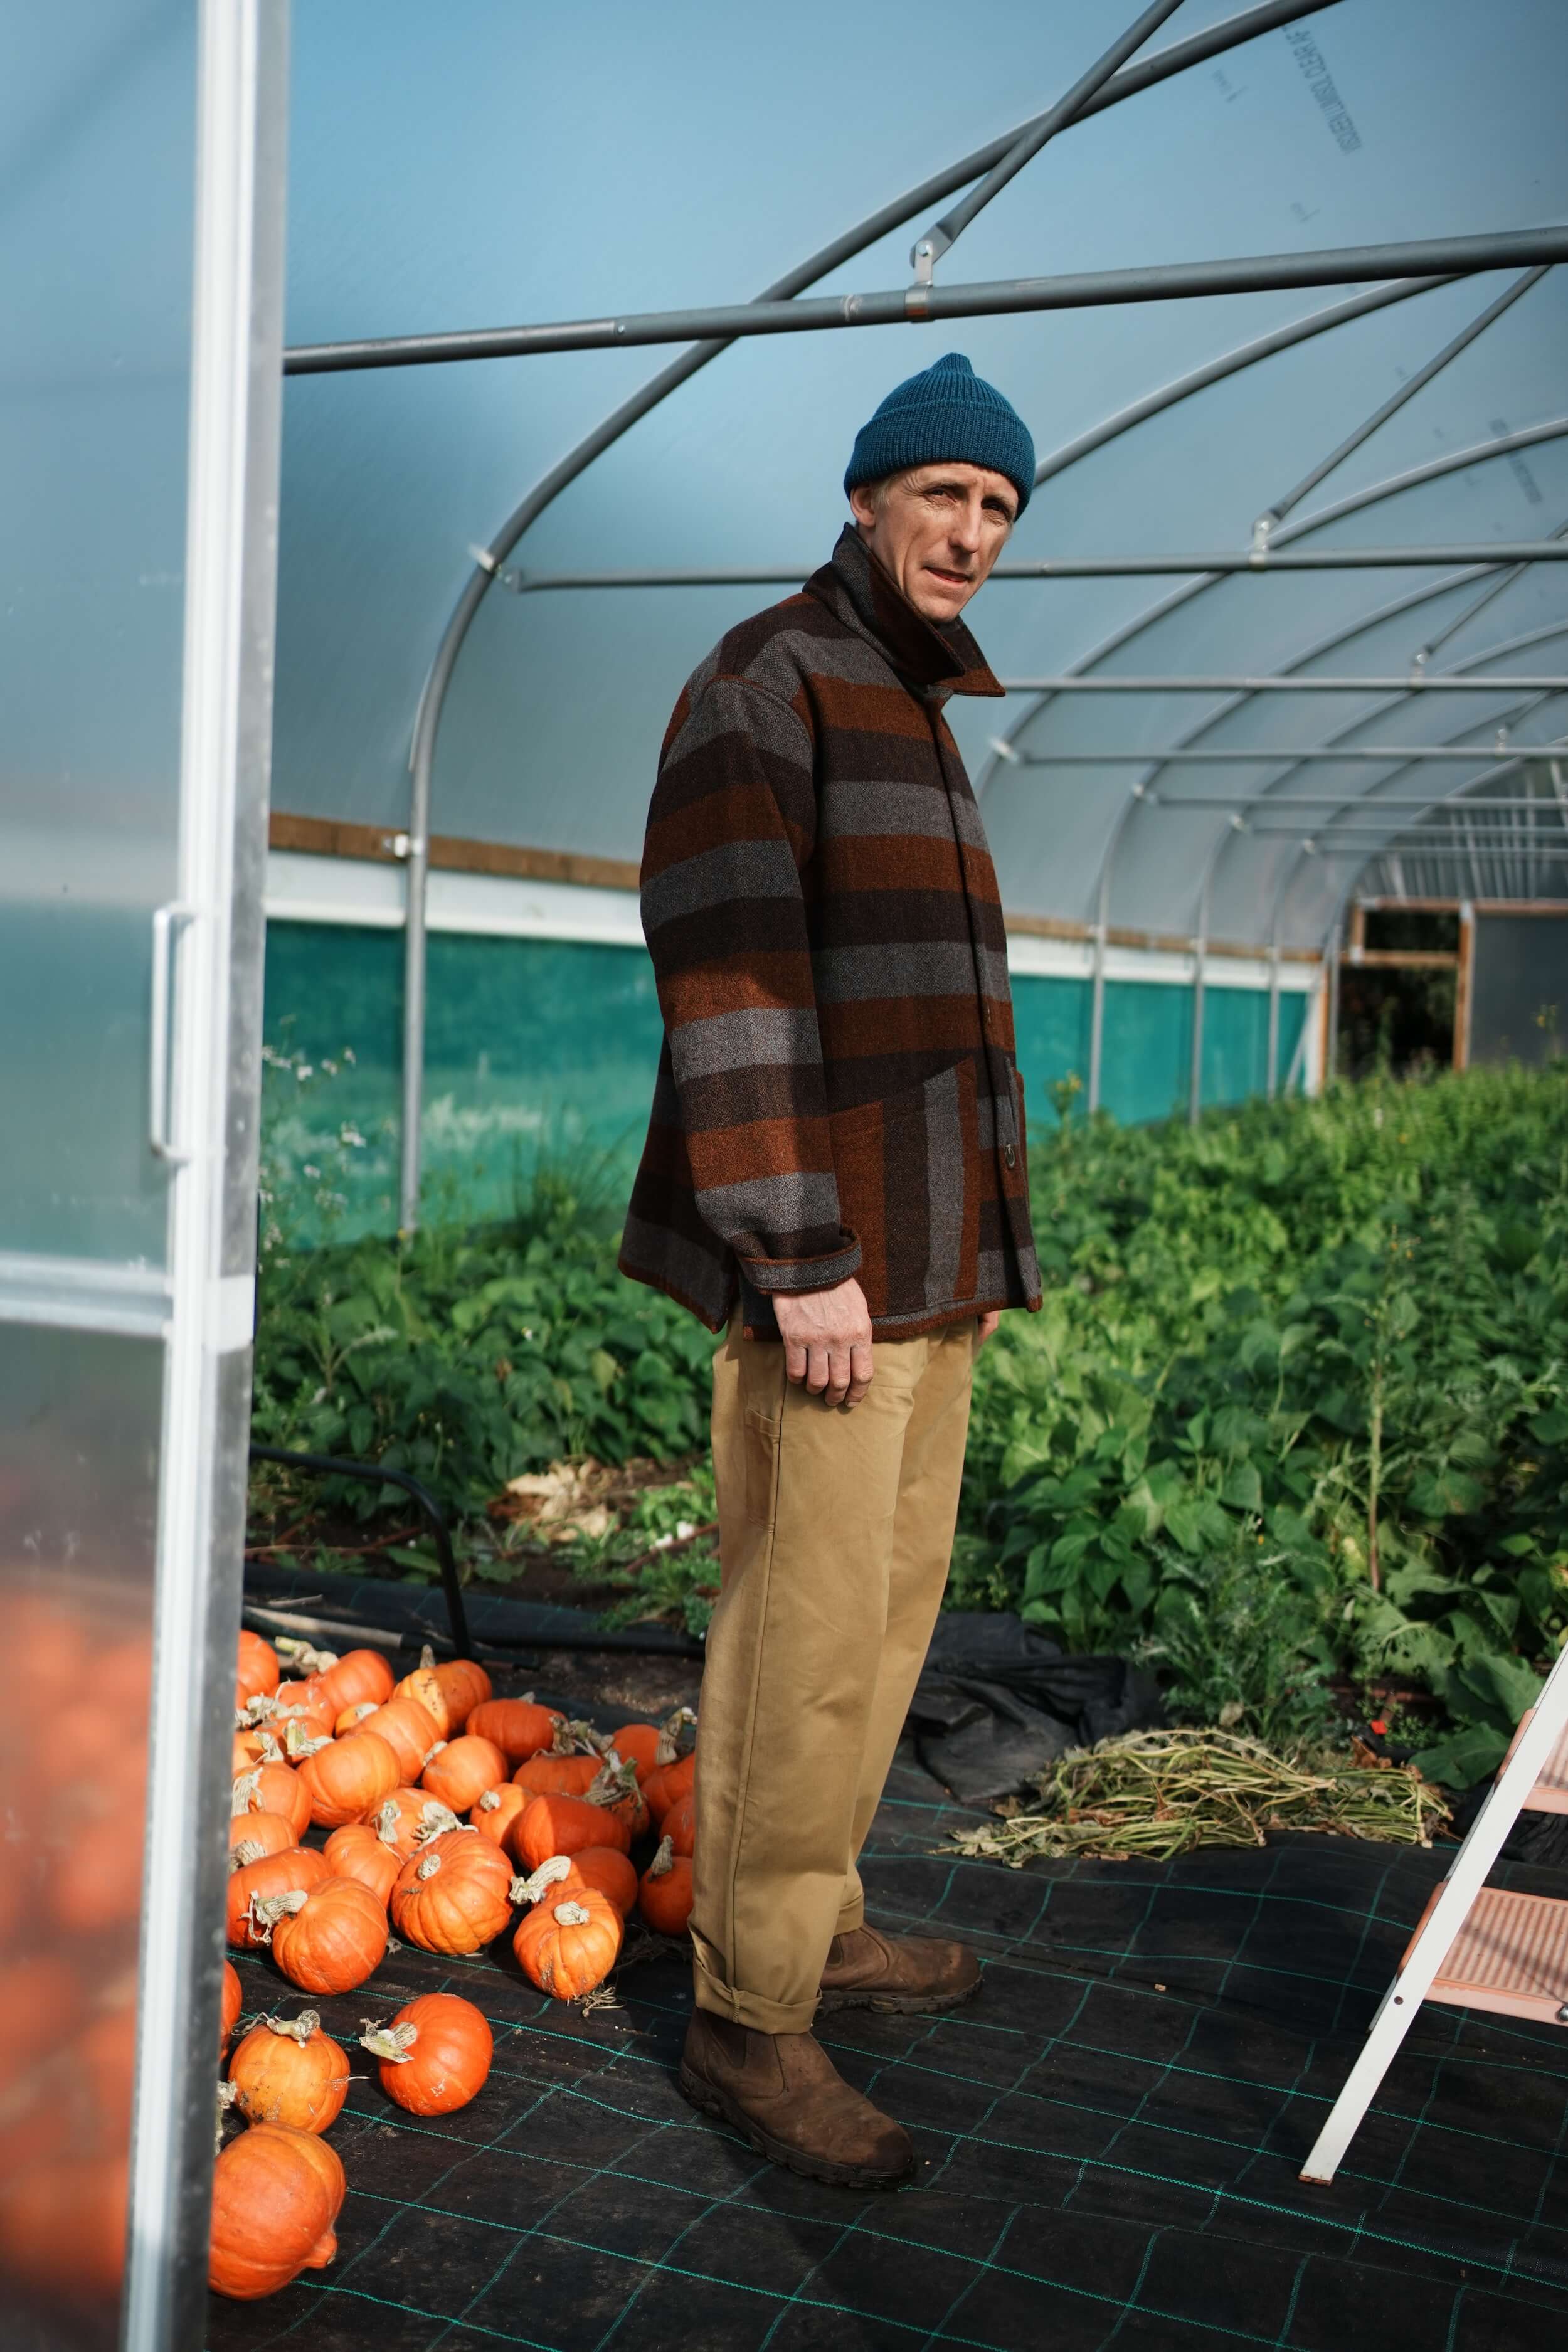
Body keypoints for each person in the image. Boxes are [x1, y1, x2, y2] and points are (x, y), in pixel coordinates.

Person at [620, 351, 1042, 2188]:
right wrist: (794, 1250)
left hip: (931, 1257)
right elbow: (728, 976)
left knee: (880, 1615)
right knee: (797, 1634)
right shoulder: (767, 681)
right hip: (835, 1262)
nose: (971, 532)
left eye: (1001, 508)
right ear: (867, 497)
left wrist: (966, 1242)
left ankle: (819, 1911)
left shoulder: (913, 700)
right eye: (944, 493)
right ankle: (747, 2019)